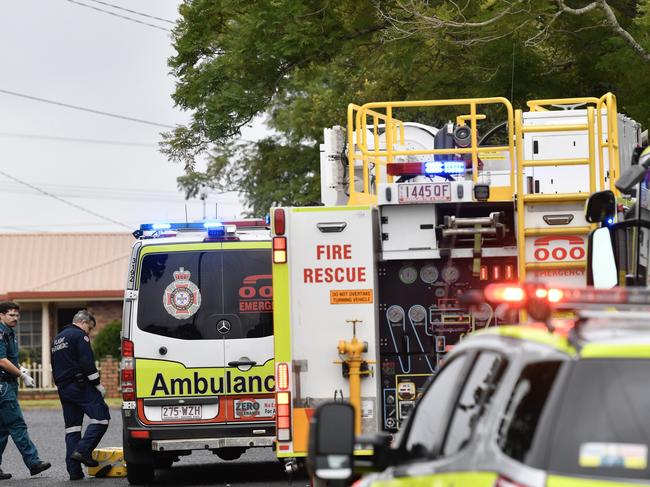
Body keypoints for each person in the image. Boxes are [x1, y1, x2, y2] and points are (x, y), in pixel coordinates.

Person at [51, 310, 110, 481]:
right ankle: (83, 451)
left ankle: (74, 471)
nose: (89, 332)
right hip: (80, 386)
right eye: (89, 328)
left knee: (72, 429)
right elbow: (86, 362)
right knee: (101, 417)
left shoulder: (57, 339)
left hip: (63, 388)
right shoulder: (79, 336)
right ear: (83, 322)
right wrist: (97, 384)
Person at [0, 301, 51, 480]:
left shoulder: (9, 332)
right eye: (11, 315)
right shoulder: (1, 333)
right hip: (3, 385)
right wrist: (21, 376)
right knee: (17, 425)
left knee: (2, 429)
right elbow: (2, 361)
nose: (15, 318)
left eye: (17, 315)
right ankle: (33, 462)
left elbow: (10, 360)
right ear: (1, 315)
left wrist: (19, 369)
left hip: (6, 384)